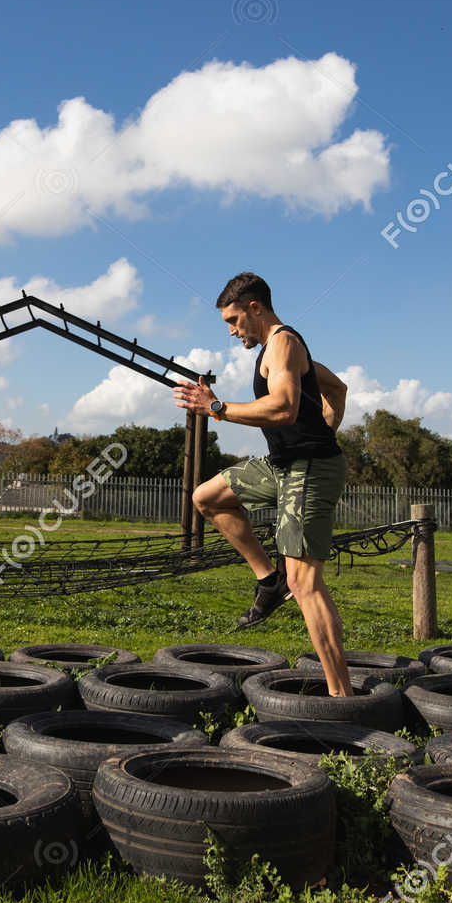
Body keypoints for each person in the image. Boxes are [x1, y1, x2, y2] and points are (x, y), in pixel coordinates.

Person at [174, 272, 356, 696]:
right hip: (284, 465)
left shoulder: (285, 343)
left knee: (305, 583)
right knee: (208, 497)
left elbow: (284, 408)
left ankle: (342, 698)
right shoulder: (280, 350)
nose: (233, 331)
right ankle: (268, 580)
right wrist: (328, 426)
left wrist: (216, 407)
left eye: (234, 320)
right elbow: (336, 388)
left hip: (308, 470)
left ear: (255, 308)